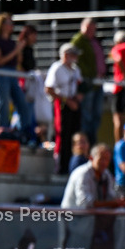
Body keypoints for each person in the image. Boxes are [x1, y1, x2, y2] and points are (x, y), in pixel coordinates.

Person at [61, 143, 125, 249]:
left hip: (94, 231)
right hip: (74, 229)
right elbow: (86, 204)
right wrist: (114, 203)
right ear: (91, 158)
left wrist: (117, 202)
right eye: (101, 158)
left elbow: (112, 197)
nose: (104, 162)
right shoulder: (82, 174)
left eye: (107, 159)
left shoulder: (106, 175)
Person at [0, 12, 33, 139]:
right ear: (2, 24)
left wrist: (19, 49)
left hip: (12, 74)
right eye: (9, 23)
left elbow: (18, 61)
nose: (11, 26)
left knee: (22, 103)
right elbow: (0, 62)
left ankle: (24, 131)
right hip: (2, 74)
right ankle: (0, 130)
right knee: (3, 104)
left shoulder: (11, 42)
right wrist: (16, 50)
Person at [45, 43, 83, 174]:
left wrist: (78, 98)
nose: (75, 58)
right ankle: (61, 167)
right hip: (62, 105)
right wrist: (66, 101)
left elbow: (80, 85)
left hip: (74, 103)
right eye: (73, 55)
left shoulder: (76, 69)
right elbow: (49, 88)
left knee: (75, 135)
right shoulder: (57, 68)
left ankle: (73, 165)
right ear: (66, 55)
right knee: (63, 135)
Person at [70, 18, 106, 145]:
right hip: (88, 83)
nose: (90, 30)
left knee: (96, 115)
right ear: (82, 27)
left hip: (98, 83)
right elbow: (75, 60)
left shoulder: (94, 41)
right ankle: (85, 142)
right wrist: (89, 76)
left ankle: (92, 140)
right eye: (88, 27)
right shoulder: (78, 40)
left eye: (93, 28)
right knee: (87, 115)